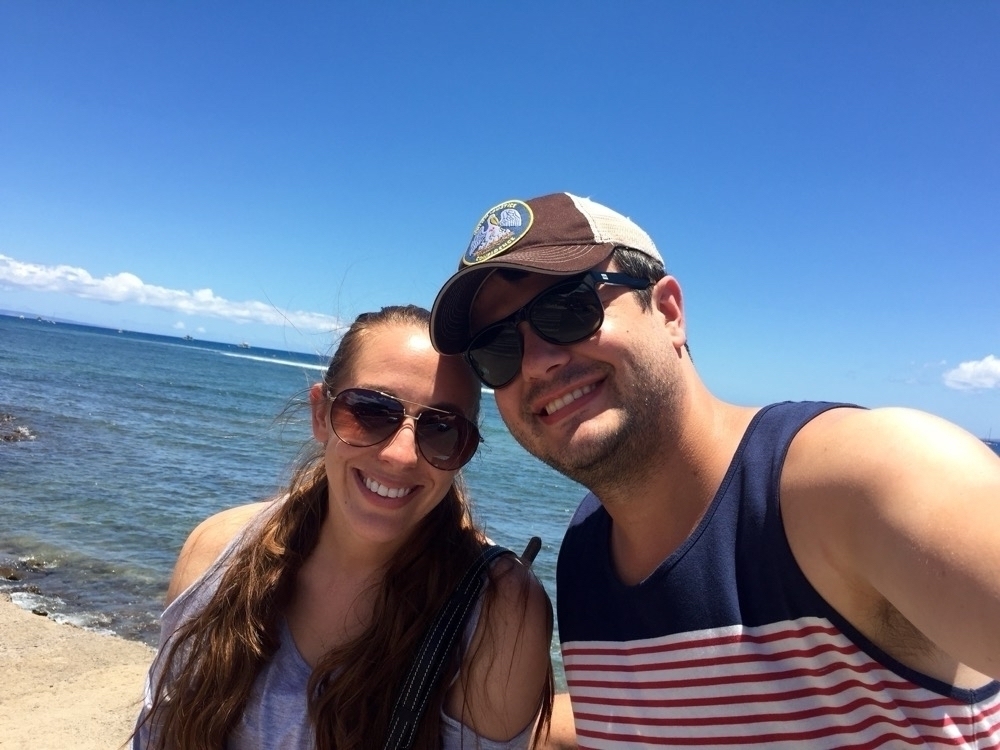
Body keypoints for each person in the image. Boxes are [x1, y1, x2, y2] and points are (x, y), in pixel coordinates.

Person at [429, 193, 1000, 748]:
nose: (537, 361)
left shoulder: (860, 478)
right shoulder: (583, 557)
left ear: (669, 311)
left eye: (568, 310)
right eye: (498, 349)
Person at [132, 305, 554, 750]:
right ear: (321, 414)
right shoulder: (216, 551)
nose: (401, 455)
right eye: (371, 411)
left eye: (442, 429)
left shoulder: (495, 612)